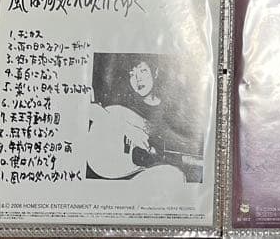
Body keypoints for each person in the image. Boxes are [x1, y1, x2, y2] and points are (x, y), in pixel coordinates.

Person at [87, 55, 204, 183]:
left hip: (138, 173)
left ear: (155, 72)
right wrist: (128, 130)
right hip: (108, 165)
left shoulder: (172, 109)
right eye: (132, 74)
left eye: (143, 71)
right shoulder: (125, 103)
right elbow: (94, 111)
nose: (138, 79)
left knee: (175, 176)